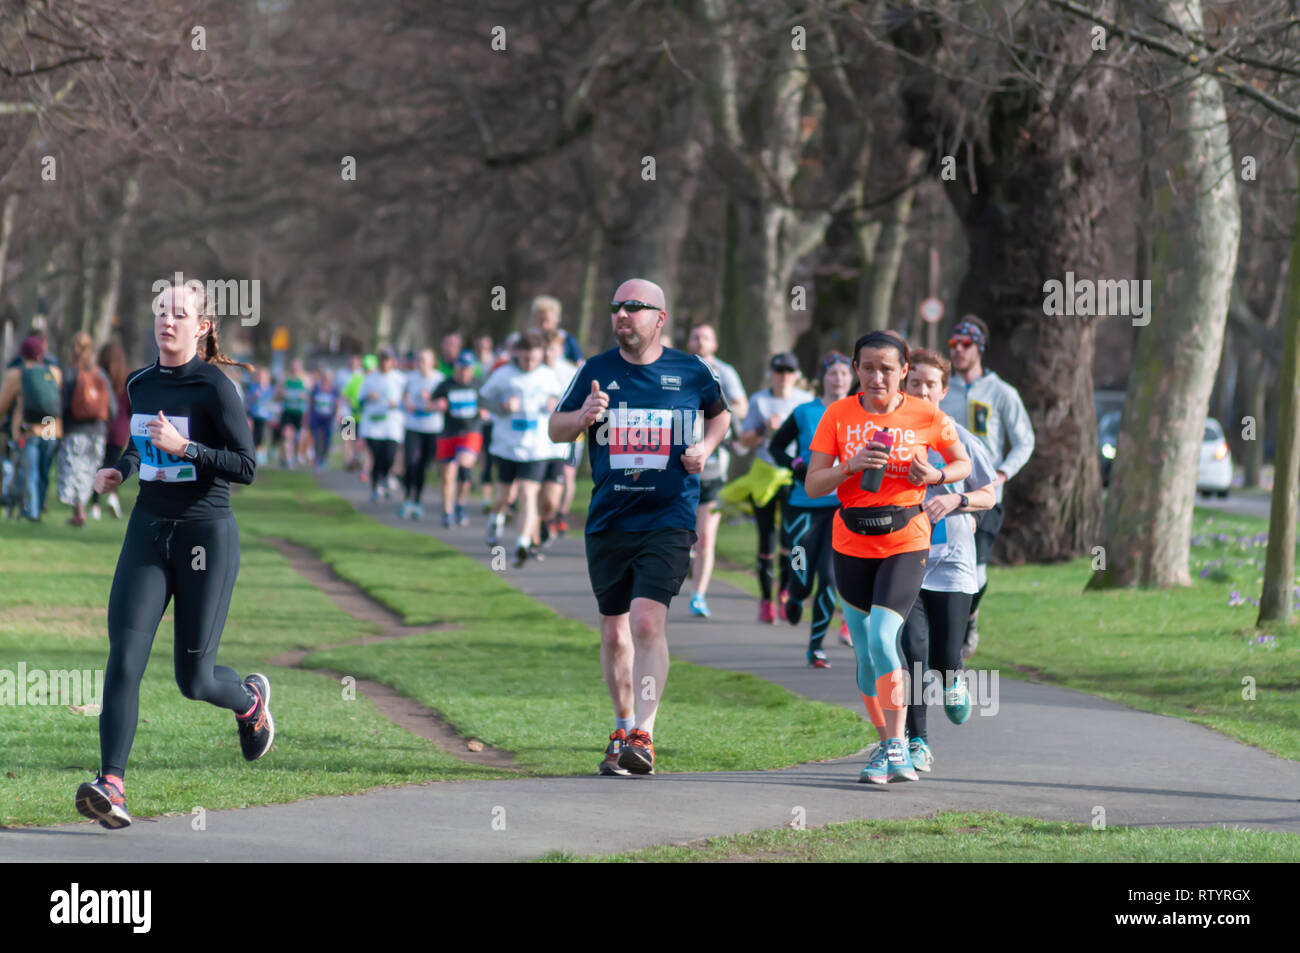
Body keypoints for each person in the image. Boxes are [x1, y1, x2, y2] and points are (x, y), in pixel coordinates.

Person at [76, 281, 271, 830]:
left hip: (204, 535)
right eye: (161, 310)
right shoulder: (140, 383)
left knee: (194, 679)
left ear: (202, 326)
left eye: (180, 314)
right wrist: (121, 467)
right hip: (147, 530)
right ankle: (110, 783)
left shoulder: (215, 387)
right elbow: (142, 438)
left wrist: (186, 449)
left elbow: (246, 466)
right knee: (124, 658)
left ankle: (250, 701)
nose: (168, 320)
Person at [549, 278, 730, 776]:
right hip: (609, 518)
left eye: (634, 307)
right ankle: (622, 727)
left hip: (669, 516)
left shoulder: (691, 371)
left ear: (659, 318)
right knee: (613, 632)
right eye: (616, 307)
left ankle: (645, 736)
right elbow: (554, 428)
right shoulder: (595, 370)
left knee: (648, 620)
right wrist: (583, 416)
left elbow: (721, 417)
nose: (622, 315)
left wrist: (706, 450)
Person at [804, 331, 970, 784]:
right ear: (856, 369)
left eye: (887, 368)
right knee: (864, 655)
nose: (877, 376)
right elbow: (814, 485)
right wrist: (850, 466)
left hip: (906, 537)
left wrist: (937, 473)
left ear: (903, 373)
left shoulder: (926, 413)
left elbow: (963, 464)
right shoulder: (837, 415)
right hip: (851, 541)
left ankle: (900, 745)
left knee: (882, 639)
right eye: (868, 367)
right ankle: (884, 744)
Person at [898, 349, 998, 773]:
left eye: (930, 384)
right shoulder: (892, 433)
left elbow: (990, 495)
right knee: (914, 654)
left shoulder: (959, 438)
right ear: (904, 384)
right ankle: (917, 741)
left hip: (953, 563)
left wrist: (959, 501)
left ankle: (954, 677)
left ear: (944, 390)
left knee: (942, 655)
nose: (922, 390)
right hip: (905, 560)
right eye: (915, 382)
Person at [940, 316, 1035, 658]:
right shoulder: (942, 391)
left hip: (985, 496)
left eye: (965, 345)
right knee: (944, 565)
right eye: (953, 345)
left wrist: (1003, 473)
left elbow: (1025, 441)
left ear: (979, 348)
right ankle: (944, 635)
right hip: (946, 495)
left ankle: (970, 618)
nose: (959, 351)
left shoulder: (1001, 392)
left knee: (977, 570)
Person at [768, 352, 854, 666]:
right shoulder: (805, 412)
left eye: (845, 373)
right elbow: (777, 446)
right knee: (802, 575)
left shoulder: (859, 412)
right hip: (802, 506)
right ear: (822, 378)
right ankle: (793, 593)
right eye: (833, 373)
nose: (839, 378)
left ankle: (816, 647)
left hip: (840, 508)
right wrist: (795, 464)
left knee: (830, 578)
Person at [738, 352, 813, 623]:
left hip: (793, 475)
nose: (783, 376)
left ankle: (784, 594)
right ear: (771, 373)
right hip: (764, 474)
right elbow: (743, 440)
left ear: (797, 375)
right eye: (779, 370)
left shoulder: (804, 401)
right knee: (766, 539)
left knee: (790, 541)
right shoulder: (759, 400)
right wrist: (762, 429)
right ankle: (766, 600)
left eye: (788, 371)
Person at [479, 331, 564, 566]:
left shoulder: (548, 376)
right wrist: (501, 406)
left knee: (528, 493)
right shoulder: (503, 374)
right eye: (526, 359)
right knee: (505, 496)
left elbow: (563, 399)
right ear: (517, 353)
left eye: (535, 360)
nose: (530, 364)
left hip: (536, 448)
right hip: (506, 446)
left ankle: (523, 543)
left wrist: (554, 403)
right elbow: (482, 399)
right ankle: (495, 517)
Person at [684, 322, 748, 618]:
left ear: (715, 343)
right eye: (695, 336)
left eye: (705, 337)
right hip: (679, 461)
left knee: (707, 535)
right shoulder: (677, 367)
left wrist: (718, 405)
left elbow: (742, 407)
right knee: (680, 532)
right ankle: (684, 560)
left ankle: (698, 596)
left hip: (713, 462)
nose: (699, 341)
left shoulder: (725, 372)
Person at [0, 335, 64, 521]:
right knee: (44, 470)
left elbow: (3, 405)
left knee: (30, 470)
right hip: (50, 426)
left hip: (26, 429)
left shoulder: (16, 374)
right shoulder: (54, 372)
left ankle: (31, 511)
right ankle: (39, 505)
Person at [58, 332, 115, 527]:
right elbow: (112, 408)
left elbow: (61, 405)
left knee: (75, 471)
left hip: (75, 429)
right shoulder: (100, 374)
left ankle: (79, 512)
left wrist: (56, 428)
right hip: (98, 432)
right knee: (89, 471)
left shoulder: (68, 373)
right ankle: (80, 512)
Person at [432, 351, 485, 527]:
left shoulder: (479, 385)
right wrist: (436, 405)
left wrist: (485, 412)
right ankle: (448, 512)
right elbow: (429, 403)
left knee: (464, 464)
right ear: (456, 368)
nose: (464, 372)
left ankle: (461, 503)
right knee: (447, 475)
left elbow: (489, 404)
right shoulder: (446, 385)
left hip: (471, 432)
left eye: (468, 369)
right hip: (449, 433)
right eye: (461, 368)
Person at [540, 331, 578, 541]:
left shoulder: (570, 371)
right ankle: (539, 523)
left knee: (567, 476)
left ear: (560, 350)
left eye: (552, 348)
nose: (548, 353)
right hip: (539, 437)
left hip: (568, 431)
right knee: (538, 485)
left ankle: (558, 514)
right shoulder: (535, 370)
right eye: (545, 348)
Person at [400, 348, 444, 520]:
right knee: (410, 461)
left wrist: (430, 402)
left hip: (432, 428)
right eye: (419, 360)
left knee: (423, 465)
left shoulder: (439, 379)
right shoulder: (410, 378)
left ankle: (417, 499)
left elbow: (443, 404)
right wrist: (407, 403)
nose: (421, 363)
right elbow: (403, 397)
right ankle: (407, 498)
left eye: (424, 360)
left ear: (432, 362)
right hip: (413, 425)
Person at [90, 340, 130, 521]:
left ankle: (95, 505)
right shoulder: (127, 379)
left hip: (99, 426)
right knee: (114, 466)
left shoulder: (97, 376)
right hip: (119, 430)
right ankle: (113, 497)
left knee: (97, 467)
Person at [358, 348, 406, 503]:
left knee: (389, 456)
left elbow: (407, 400)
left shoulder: (400, 379)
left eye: (388, 360)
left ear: (393, 362)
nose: (385, 363)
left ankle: (383, 479)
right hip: (373, 424)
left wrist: (397, 403)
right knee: (377, 456)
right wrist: (368, 396)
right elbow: (358, 400)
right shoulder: (370, 378)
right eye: (382, 360)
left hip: (392, 424)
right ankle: (375, 487)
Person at [532, 294, 584, 365]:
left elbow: (579, 365)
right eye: (540, 320)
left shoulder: (568, 340)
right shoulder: (523, 338)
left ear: (557, 318)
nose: (544, 325)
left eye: (547, 320)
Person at [276, 358, 309, 469]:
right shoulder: (284, 379)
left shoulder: (305, 379)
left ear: (300, 368)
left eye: (297, 367)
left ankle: (297, 455)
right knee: (287, 435)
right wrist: (282, 394)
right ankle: (289, 460)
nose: (294, 369)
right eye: (293, 367)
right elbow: (276, 396)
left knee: (298, 438)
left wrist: (303, 396)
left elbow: (311, 397)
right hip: (287, 412)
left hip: (299, 413)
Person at [309, 368, 341, 471]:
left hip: (328, 418)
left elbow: (337, 404)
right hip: (316, 417)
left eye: (329, 378)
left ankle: (324, 459)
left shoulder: (334, 390)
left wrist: (337, 415)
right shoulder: (316, 388)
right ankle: (317, 459)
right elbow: (311, 402)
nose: (327, 380)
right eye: (325, 378)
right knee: (316, 438)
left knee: (327, 439)